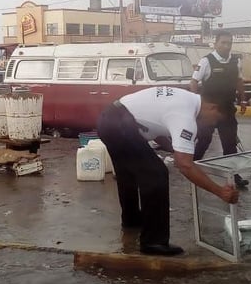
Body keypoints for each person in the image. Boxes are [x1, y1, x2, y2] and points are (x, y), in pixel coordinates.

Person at [97, 86, 240, 256]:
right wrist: (219, 191)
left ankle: (132, 221)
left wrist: (175, 148)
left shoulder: (187, 99)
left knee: (129, 174)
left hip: (110, 118)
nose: (213, 124)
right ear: (212, 107)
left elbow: (156, 122)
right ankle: (154, 242)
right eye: (216, 119)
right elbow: (185, 165)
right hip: (121, 125)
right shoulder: (185, 116)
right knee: (157, 175)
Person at [189, 31, 249, 189]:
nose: (227, 46)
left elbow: (239, 81)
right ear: (215, 44)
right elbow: (194, 82)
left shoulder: (235, 61)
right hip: (208, 111)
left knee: (230, 145)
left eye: (229, 43)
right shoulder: (207, 61)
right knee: (204, 140)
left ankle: (234, 176)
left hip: (227, 110)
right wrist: (197, 103)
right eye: (223, 42)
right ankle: (191, 168)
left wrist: (243, 99)